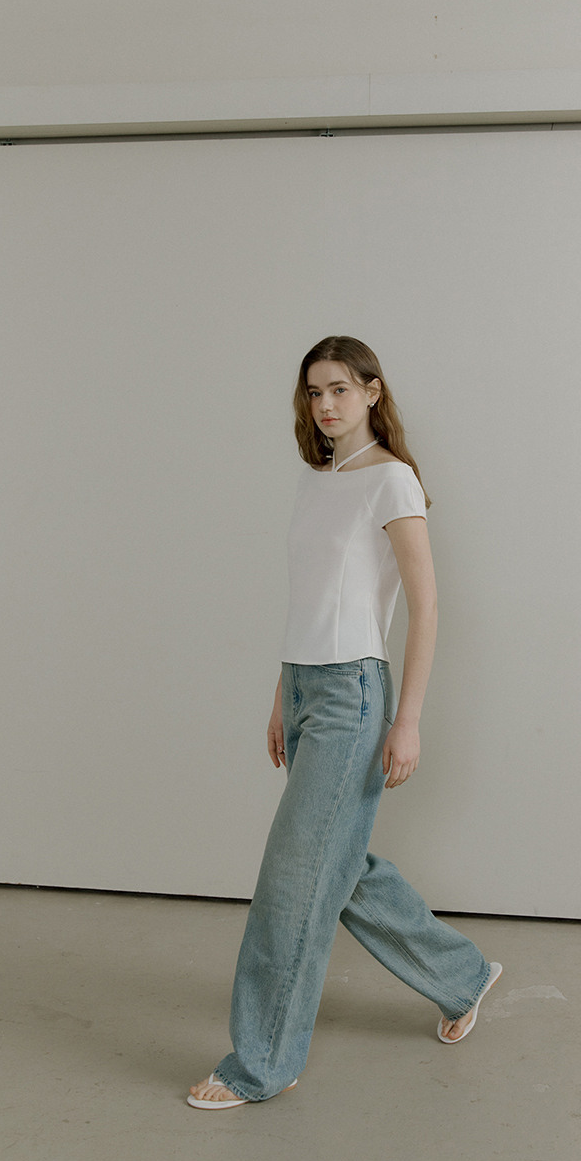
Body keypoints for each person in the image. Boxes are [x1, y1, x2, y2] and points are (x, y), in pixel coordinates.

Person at [187, 343, 498, 1114]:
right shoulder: (316, 478)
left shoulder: (392, 480)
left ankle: (261, 1063)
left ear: (371, 392)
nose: (325, 404)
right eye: (313, 392)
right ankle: (463, 975)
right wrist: (280, 695)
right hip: (304, 686)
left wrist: (408, 719)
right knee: (339, 864)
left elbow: (426, 606)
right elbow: (309, 596)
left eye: (339, 389)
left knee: (293, 882)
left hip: (352, 696)